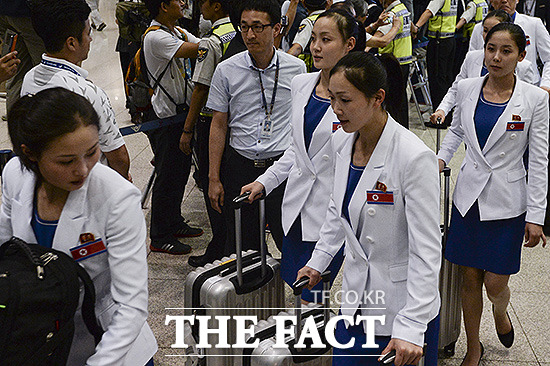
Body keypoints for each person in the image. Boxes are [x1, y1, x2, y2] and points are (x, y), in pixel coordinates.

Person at [297, 52, 441, 366]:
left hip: (401, 312)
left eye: (345, 100)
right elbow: (339, 210)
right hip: (355, 301)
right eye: (333, 98)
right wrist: (319, 261)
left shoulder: (413, 157)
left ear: (378, 98)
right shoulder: (341, 142)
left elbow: (426, 250)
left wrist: (414, 324)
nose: (336, 109)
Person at [0, 88, 157, 366]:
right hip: (38, 336)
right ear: (31, 154)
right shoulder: (15, 175)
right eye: (66, 161)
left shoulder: (117, 197)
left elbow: (131, 305)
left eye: (92, 152)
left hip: (108, 341)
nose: (83, 169)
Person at [437, 23, 548, 365]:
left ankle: (500, 311)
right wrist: (439, 160)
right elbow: (455, 131)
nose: (496, 57)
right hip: (469, 200)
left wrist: (536, 216)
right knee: (469, 278)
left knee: (495, 283)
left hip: (508, 201)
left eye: (506, 51)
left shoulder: (535, 99)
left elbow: (541, 160)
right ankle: (473, 347)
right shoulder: (468, 87)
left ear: (521, 56)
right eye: (491, 49)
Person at [240, 8, 362, 302]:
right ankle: (308, 337)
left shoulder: (358, 97)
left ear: (349, 45)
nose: (316, 47)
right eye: (314, 39)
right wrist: (265, 182)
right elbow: (296, 150)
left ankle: (310, 342)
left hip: (331, 213)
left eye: (326, 39)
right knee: (298, 286)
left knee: (313, 290)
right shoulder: (301, 84)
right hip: (295, 209)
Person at [207, 0, 306, 256]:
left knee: (291, 241)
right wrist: (214, 178)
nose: (250, 35)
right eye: (244, 27)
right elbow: (218, 124)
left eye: (258, 27)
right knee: (244, 245)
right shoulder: (226, 70)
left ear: (276, 29)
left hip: (282, 168)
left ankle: (298, 295)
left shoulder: (297, 69)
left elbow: (301, 123)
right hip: (240, 165)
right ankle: (253, 294)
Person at [22, 0, 131, 181]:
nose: (90, 38)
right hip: (88, 186)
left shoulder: (30, 78)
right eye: (88, 33)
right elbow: (119, 157)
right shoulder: (87, 92)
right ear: (71, 43)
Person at [142, 0, 204, 255]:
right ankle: (159, 236)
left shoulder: (175, 31)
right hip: (166, 117)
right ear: (164, 6)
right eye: (177, 0)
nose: (183, 3)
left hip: (180, 114)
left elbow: (199, 42)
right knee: (167, 176)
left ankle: (174, 222)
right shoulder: (155, 37)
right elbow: (198, 48)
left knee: (179, 172)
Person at [179, 0, 236, 267]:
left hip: (210, 119)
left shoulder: (212, 41)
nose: (199, 6)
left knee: (210, 180)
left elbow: (201, 88)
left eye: (204, 2)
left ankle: (219, 246)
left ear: (216, 6)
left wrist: (188, 129)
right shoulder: (236, 32)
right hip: (235, 119)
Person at [431, 9, 537, 125]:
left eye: (494, 30)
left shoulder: (524, 67)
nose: (488, 35)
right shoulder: (472, 58)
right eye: (485, 30)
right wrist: (442, 109)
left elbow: (529, 105)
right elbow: (457, 89)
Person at [468, 0, 550, 91]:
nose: (504, 1)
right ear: (491, 1)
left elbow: (548, 58)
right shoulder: (479, 28)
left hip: (527, 85)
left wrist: (546, 85)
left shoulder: (533, 24)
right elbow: (471, 63)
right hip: (485, 88)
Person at [412, 0, 458, 113]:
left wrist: (416, 27)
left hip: (439, 41)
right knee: (447, 77)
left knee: (437, 80)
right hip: (450, 39)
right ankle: (448, 114)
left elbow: (429, 12)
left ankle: (439, 116)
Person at [0, 0, 45, 113]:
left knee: (15, 72)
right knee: (44, 71)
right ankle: (44, 122)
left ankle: (15, 122)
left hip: (5, 11)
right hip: (29, 13)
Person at [376, 0, 413, 128]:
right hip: (405, 59)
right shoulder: (403, 9)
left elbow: (379, 38)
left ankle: (395, 130)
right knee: (401, 100)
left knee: (392, 102)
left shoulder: (391, 15)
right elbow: (413, 29)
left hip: (393, 62)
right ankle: (403, 129)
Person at [287, 0, 328, 71]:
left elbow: (297, 47)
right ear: (327, 2)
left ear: (304, 4)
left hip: (312, 70)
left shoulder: (309, 22)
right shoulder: (332, 19)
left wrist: (283, 61)